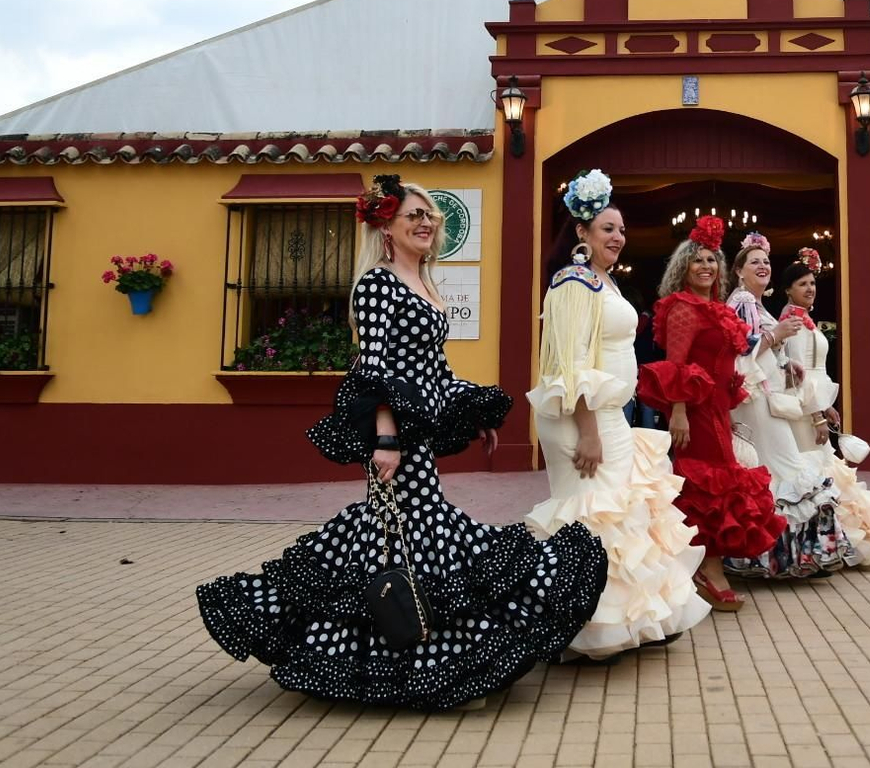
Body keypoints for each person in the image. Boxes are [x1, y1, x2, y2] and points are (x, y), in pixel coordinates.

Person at [197, 174, 608, 711]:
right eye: (413, 214)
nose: (425, 222)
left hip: (418, 435)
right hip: (393, 437)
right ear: (386, 227)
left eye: (430, 215)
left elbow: (432, 368)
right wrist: (385, 438)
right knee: (409, 532)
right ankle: (429, 668)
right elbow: (374, 369)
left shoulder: (426, 283)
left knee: (408, 533)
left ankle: (425, 662)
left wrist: (470, 411)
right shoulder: (377, 284)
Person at [525, 170, 710, 659]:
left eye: (621, 230)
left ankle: (626, 622)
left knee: (621, 511)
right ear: (582, 232)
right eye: (607, 228)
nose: (618, 238)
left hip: (612, 412)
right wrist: (588, 431)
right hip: (581, 416)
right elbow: (570, 362)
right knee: (591, 513)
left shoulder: (601, 281)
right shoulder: (571, 282)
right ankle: (583, 628)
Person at [638, 217, 785, 611]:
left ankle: (698, 563)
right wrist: (680, 412)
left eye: (712, 260)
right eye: (697, 260)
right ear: (683, 268)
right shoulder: (684, 308)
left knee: (718, 486)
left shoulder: (715, 308)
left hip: (718, 408)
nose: (706, 266)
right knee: (706, 487)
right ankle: (708, 568)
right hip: (695, 412)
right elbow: (676, 363)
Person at [724, 233, 859, 578]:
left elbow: (766, 350)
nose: (763, 266)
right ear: (739, 271)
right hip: (754, 398)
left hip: (769, 396)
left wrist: (787, 364)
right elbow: (737, 352)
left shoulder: (756, 305)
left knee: (779, 470)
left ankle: (774, 556)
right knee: (784, 468)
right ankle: (781, 555)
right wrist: (777, 336)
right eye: (754, 261)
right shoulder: (740, 303)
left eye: (766, 261)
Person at [779, 247, 870, 567]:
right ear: (787, 290)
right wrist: (818, 414)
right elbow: (798, 377)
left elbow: (818, 372)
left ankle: (845, 543)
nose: (810, 289)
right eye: (802, 284)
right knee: (819, 478)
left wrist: (828, 407)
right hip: (805, 412)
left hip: (817, 406)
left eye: (812, 283)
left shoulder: (805, 320)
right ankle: (838, 545)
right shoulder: (792, 323)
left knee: (828, 476)